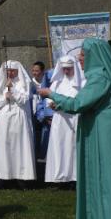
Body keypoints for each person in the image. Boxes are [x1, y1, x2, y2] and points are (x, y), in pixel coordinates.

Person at [38, 38, 111, 219]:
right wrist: (62, 106)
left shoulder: (99, 78)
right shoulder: (106, 75)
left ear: (94, 56)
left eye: (83, 54)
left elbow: (78, 104)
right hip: (106, 129)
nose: (79, 57)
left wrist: (51, 94)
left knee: (104, 174)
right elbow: (92, 104)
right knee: (108, 173)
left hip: (103, 132)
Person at [0, 60, 36, 188]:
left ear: (17, 71)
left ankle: (22, 178)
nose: (9, 73)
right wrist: (5, 97)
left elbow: (24, 100)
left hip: (19, 118)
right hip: (4, 119)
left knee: (19, 146)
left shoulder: (24, 83)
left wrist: (14, 91)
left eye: (12, 71)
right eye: (7, 71)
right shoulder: (1, 83)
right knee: (4, 145)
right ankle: (4, 177)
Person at [44, 55, 82, 188]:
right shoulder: (57, 83)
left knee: (73, 147)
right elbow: (49, 98)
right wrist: (52, 104)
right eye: (64, 69)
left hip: (74, 119)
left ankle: (74, 177)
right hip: (60, 120)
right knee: (59, 147)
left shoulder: (81, 83)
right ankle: (60, 178)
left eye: (69, 69)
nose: (66, 72)